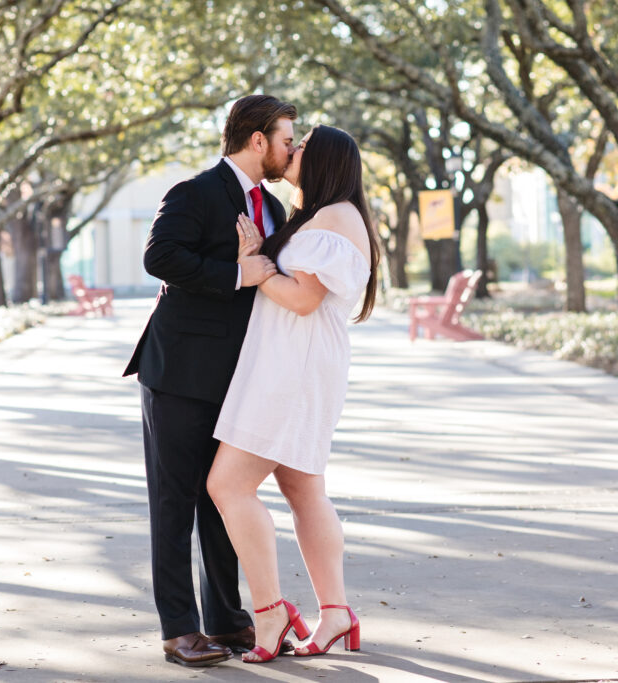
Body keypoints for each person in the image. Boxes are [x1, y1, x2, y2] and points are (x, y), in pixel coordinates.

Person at [123, 95, 298, 667]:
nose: (290, 149)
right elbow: (160, 257)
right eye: (286, 139)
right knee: (173, 503)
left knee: (225, 498)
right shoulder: (193, 192)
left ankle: (226, 621)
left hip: (238, 378)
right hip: (177, 374)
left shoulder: (272, 207)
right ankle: (179, 630)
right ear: (256, 140)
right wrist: (236, 273)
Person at [206, 124, 379, 663]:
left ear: (324, 159)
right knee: (304, 491)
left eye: (302, 144)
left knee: (228, 486)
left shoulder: (336, 216)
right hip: (293, 360)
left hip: (294, 366)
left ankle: (270, 612)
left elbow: (304, 299)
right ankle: (335, 615)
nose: (293, 149)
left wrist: (253, 269)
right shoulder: (320, 215)